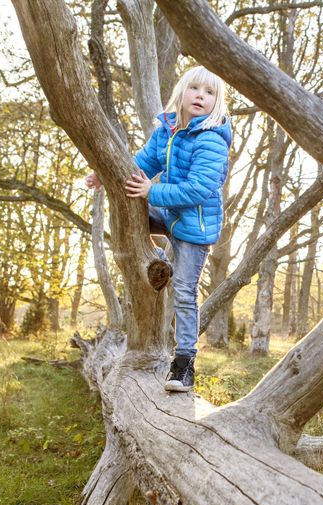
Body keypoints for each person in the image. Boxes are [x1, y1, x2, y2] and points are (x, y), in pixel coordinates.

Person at [86, 66, 232, 393]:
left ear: (216, 103)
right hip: (167, 212)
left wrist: (152, 192)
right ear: (182, 92)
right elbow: (142, 165)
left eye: (209, 93)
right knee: (128, 202)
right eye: (195, 88)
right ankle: (140, 326)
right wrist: (104, 174)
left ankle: (184, 364)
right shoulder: (166, 130)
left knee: (183, 291)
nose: (200, 96)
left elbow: (197, 189)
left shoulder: (212, 140)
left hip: (194, 226)